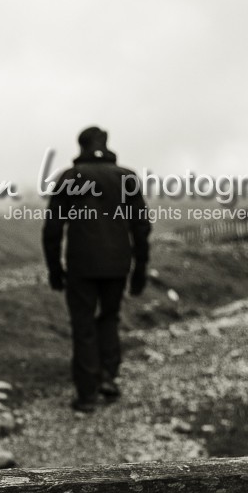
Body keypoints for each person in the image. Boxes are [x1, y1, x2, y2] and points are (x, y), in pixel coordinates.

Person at [42, 126, 151, 413]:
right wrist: (140, 267)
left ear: (81, 147)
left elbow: (53, 228)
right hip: (118, 263)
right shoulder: (126, 177)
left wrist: (55, 269)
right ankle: (109, 378)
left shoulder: (70, 178)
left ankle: (87, 393)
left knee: (83, 324)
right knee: (110, 318)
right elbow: (141, 226)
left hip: (81, 263)